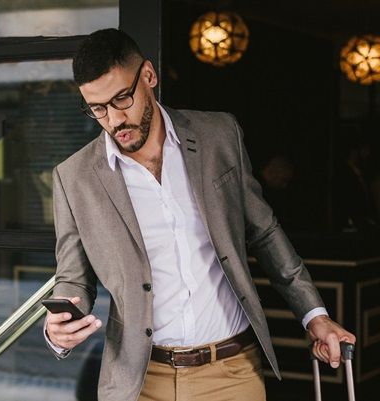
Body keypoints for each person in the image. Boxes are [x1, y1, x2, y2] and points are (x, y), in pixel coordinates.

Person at [44, 28, 355, 401]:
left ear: (148, 76)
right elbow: (73, 278)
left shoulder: (218, 135)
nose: (114, 121)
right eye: (97, 109)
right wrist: (59, 327)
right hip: (139, 381)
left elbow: (265, 232)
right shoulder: (73, 177)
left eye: (122, 99)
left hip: (230, 371)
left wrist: (314, 315)